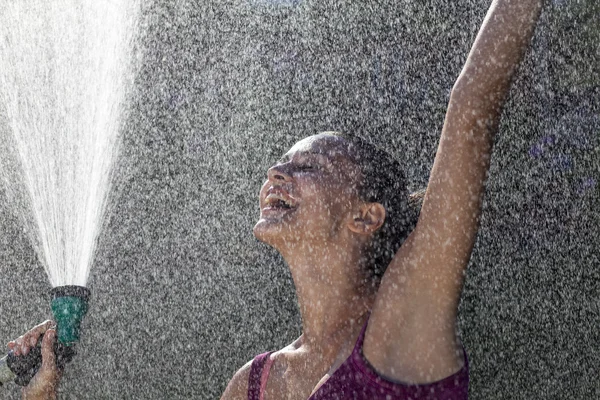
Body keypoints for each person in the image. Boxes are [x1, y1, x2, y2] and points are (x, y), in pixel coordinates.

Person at [8, 0, 543, 399]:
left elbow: (474, 99)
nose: (276, 172)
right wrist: (43, 393)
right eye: (280, 163)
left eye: (306, 167)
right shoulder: (254, 384)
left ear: (365, 216)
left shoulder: (407, 322)